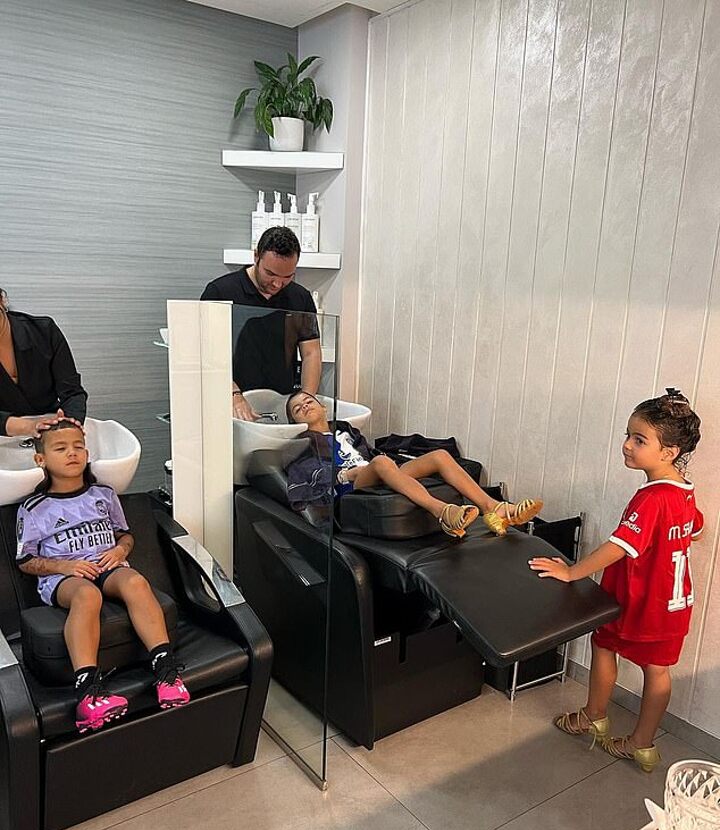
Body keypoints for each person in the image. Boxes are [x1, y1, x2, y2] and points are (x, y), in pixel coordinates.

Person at [529, 388, 703, 773]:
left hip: (640, 602)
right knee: (657, 670)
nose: (626, 445)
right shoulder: (684, 491)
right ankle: (643, 744)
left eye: (639, 440)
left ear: (668, 452)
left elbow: (619, 546)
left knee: (603, 644)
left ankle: (593, 715)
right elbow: (696, 528)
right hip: (674, 606)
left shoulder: (652, 498)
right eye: (628, 435)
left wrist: (571, 571)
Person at [16, 419, 190, 733]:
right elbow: (26, 561)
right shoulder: (34, 508)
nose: (72, 453)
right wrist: (65, 567)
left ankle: (166, 673)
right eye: (61, 448)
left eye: (78, 446)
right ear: (41, 459)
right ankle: (89, 694)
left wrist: (120, 551)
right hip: (66, 579)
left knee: (135, 582)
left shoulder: (104, 495)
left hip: (107, 567)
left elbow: (125, 535)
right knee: (87, 595)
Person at [285, 391, 543, 537]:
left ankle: (493, 508)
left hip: (376, 472)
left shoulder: (346, 430)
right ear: (294, 421)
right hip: (351, 488)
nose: (305, 406)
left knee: (439, 456)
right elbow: (308, 483)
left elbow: (370, 454)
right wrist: (345, 475)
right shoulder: (303, 444)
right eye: (297, 409)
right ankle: (442, 512)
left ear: (323, 407)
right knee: (381, 463)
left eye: (309, 401)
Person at [201, 227, 322, 422]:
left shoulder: (300, 297)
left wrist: (306, 400)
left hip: (281, 405)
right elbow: (207, 353)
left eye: (287, 277)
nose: (277, 284)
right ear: (256, 256)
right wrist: (233, 395)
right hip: (230, 401)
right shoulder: (220, 292)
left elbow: (311, 353)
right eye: (270, 274)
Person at [0, 287, 87, 438]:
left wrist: (68, 424)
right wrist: (27, 426)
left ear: (1, 300)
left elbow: (72, 393)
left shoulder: (44, 332)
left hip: (51, 428)